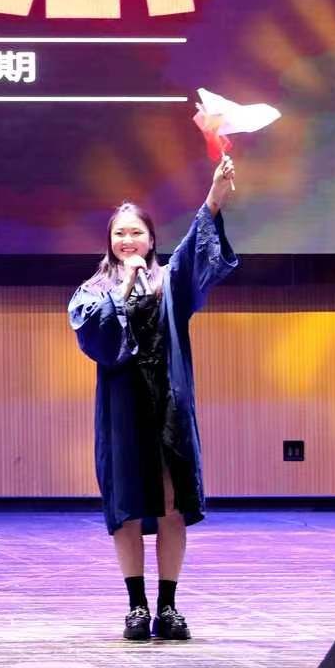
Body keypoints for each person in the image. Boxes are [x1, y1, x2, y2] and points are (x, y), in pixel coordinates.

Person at [67, 155, 238, 642]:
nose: (128, 241)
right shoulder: (93, 289)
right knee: (125, 506)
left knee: (171, 505)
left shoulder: (169, 282)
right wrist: (123, 285)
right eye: (119, 233)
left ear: (150, 238)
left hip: (168, 408)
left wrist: (215, 195)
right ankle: (136, 606)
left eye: (136, 232)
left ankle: (169, 605)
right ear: (109, 241)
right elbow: (94, 337)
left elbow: (196, 249)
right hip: (123, 412)